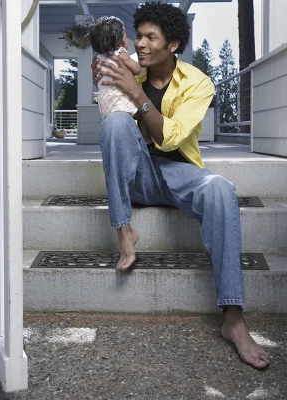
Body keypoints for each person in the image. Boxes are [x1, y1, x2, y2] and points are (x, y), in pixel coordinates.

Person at [91, 1, 270, 369]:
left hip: (179, 172)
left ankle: (233, 319)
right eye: (138, 35)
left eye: (150, 37)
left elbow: (171, 137)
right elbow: (115, 120)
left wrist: (137, 94)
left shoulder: (198, 82)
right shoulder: (129, 68)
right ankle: (123, 228)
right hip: (140, 175)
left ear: (172, 44)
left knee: (220, 189)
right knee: (115, 123)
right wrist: (103, 72)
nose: (140, 43)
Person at [89, 16, 142, 119]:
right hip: (119, 95)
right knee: (138, 115)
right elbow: (137, 69)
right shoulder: (120, 53)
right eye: (126, 36)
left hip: (105, 98)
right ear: (119, 44)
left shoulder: (98, 57)